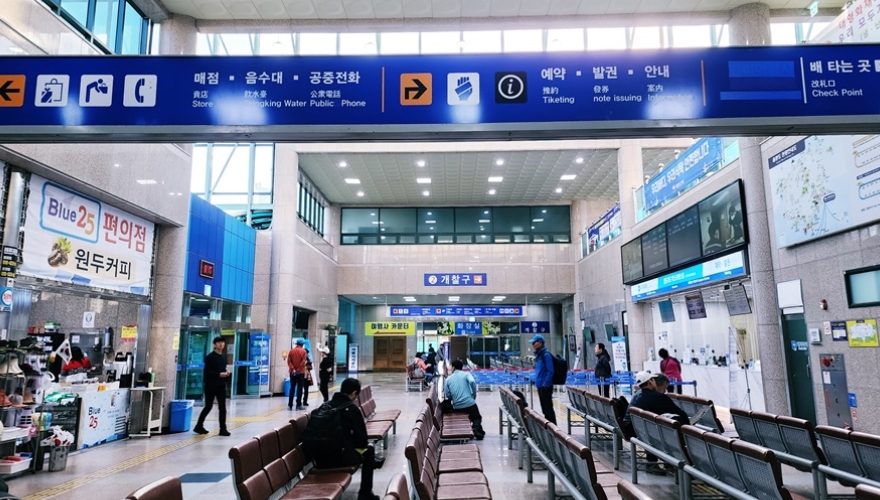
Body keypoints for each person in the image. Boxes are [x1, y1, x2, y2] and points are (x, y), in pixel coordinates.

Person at [307, 378, 384, 500]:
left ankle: (374, 462)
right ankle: (365, 494)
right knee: (369, 451)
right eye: (356, 396)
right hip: (339, 458)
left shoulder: (324, 406)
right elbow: (362, 441)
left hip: (318, 459)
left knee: (362, 450)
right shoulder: (351, 409)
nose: (355, 399)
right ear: (353, 393)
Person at [622, 371, 688, 475]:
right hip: (641, 432)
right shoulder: (658, 397)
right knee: (668, 430)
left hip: (632, 429)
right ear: (650, 382)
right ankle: (672, 462)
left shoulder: (637, 394)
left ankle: (664, 462)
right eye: (665, 388)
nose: (665, 390)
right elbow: (682, 416)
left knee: (657, 428)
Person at [194, 337, 230, 436]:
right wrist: (219, 374)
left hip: (221, 385)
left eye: (222, 342)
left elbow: (223, 368)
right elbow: (208, 373)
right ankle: (199, 425)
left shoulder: (223, 357)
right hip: (211, 385)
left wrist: (226, 373)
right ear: (214, 344)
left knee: (222, 407)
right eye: (219, 342)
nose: (221, 344)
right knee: (208, 406)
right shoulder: (210, 357)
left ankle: (223, 429)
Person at [444, 359, 486, 439]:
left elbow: (448, 395)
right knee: (477, 417)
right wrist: (473, 394)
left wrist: (454, 397)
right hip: (470, 404)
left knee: (468, 415)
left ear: (453, 367)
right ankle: (476, 427)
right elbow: (472, 382)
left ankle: (473, 429)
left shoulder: (448, 379)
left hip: (458, 407)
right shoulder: (466, 374)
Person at [530, 334, 556, 424]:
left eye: (535, 343)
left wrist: (545, 384)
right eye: (532, 343)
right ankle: (549, 428)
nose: (533, 345)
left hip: (545, 387)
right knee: (545, 410)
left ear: (540, 343)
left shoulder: (546, 355)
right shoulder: (539, 356)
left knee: (548, 410)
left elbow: (550, 371)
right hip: (540, 386)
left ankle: (553, 428)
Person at [287, 338, 308, 410]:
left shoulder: (291, 351)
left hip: (292, 372)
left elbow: (289, 361)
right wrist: (298, 369)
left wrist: (293, 369)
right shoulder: (304, 351)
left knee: (292, 388)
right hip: (300, 372)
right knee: (300, 388)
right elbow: (303, 362)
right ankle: (298, 405)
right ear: (302, 344)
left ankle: (290, 405)